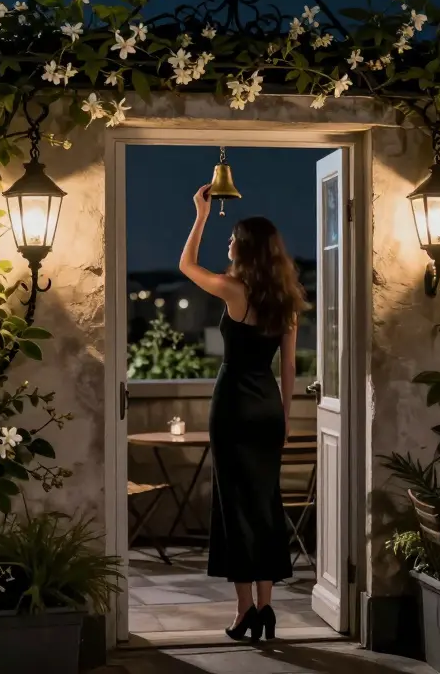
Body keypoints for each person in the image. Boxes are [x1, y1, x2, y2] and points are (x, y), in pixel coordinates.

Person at [177, 184, 309, 642]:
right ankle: (268, 609)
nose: (227, 243)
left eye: (233, 238)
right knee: (265, 504)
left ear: (247, 249)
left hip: (233, 405)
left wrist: (200, 214)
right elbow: (289, 366)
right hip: (269, 408)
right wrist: (286, 417)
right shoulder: (286, 299)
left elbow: (186, 266)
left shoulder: (235, 291)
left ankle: (244, 611)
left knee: (235, 508)